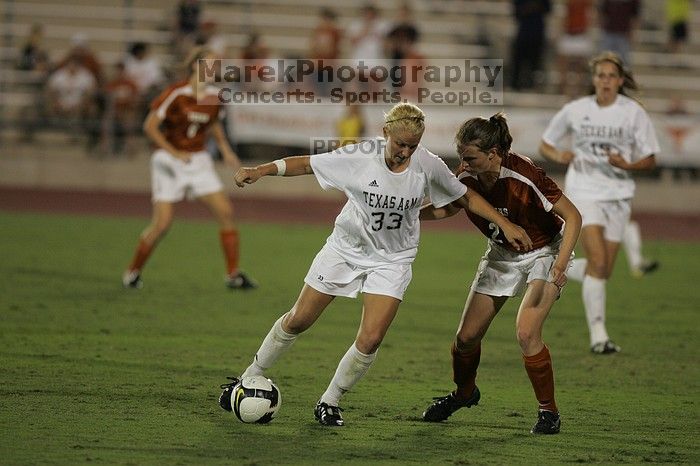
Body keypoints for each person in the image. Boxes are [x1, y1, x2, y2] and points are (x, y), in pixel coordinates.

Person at [218, 103, 533, 426]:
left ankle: (330, 401)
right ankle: (247, 378)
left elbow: (465, 197)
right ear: (386, 134)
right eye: (401, 144)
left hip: (392, 260)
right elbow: (307, 165)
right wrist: (260, 170)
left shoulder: (426, 164)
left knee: (371, 339)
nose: (406, 152)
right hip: (346, 249)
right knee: (299, 320)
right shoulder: (359, 156)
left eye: (413, 145)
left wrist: (503, 223)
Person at [419, 113, 581, 435]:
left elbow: (573, 217)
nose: (462, 163)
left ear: (493, 153)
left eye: (470, 157)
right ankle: (465, 394)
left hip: (544, 252)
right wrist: (409, 214)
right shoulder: (468, 175)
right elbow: (451, 207)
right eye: (461, 156)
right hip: (502, 255)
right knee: (465, 339)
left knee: (526, 332)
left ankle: (549, 412)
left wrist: (560, 265)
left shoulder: (524, 173)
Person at [539, 51, 660, 354]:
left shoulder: (633, 113)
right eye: (600, 75)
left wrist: (626, 165)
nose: (605, 81)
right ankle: (598, 337)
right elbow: (545, 144)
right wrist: (560, 155)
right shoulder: (576, 109)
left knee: (602, 270)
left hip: (618, 195)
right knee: (599, 263)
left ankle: (552, 268)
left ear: (620, 81)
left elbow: (650, 159)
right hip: (584, 192)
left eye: (611, 76)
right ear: (594, 80)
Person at [122, 47, 256, 290]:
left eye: (216, 65)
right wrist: (174, 153)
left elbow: (213, 123)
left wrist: (225, 150)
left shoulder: (214, 96)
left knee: (225, 212)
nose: (213, 69)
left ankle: (232, 275)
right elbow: (150, 126)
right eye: (209, 63)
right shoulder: (176, 93)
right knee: (162, 224)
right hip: (169, 161)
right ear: (195, 65)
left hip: (198, 161)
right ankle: (132, 272)